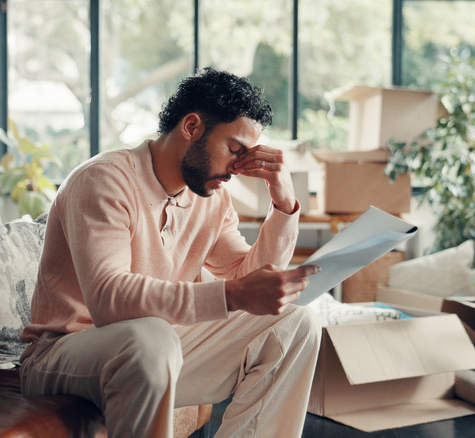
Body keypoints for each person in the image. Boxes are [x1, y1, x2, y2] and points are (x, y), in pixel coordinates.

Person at [19, 68, 322, 437]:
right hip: (64, 354)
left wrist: (284, 201)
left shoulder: (210, 199)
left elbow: (252, 283)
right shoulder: (103, 180)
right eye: (234, 150)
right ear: (192, 127)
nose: (236, 169)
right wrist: (231, 294)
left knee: (294, 324)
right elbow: (108, 299)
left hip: (156, 350)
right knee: (151, 339)